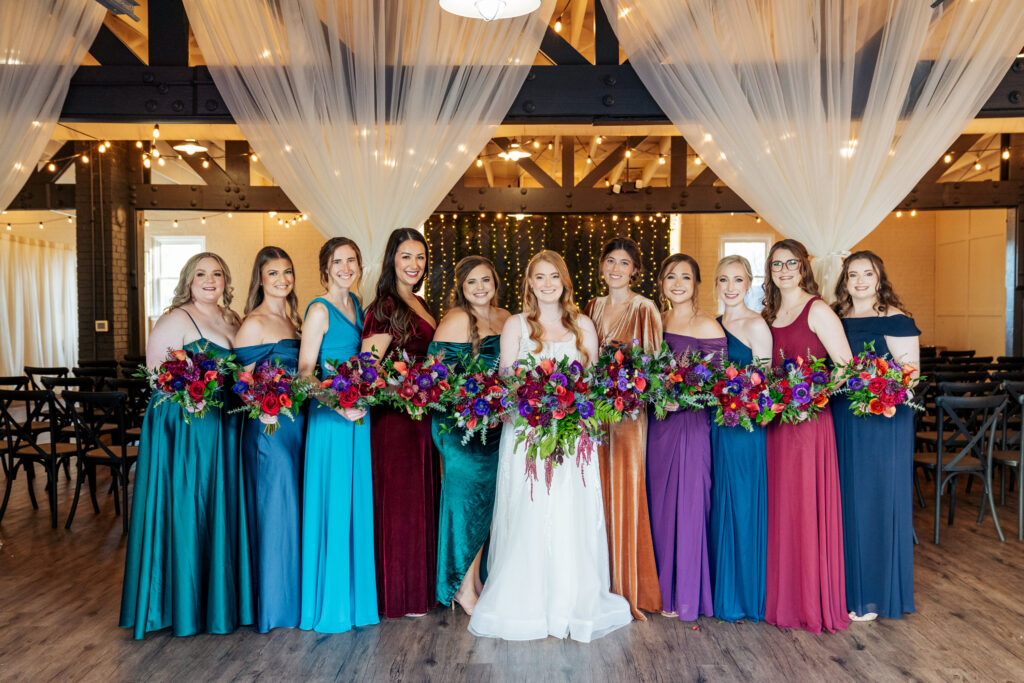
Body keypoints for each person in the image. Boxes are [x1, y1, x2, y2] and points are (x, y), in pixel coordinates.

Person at [468, 250, 632, 642]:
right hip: (528, 438)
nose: (546, 284)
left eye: (553, 277)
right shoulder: (516, 325)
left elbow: (591, 385)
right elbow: (508, 384)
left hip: (574, 438)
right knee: (529, 510)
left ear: (564, 282)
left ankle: (572, 598)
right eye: (539, 277)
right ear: (529, 283)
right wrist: (534, 407)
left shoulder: (583, 326)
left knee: (570, 511)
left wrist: (570, 408)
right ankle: (526, 598)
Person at [120, 252, 253, 638]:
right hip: (187, 430)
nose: (209, 280)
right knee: (190, 508)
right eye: (201, 274)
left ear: (226, 280)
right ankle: (183, 604)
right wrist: (188, 398)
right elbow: (158, 379)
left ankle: (219, 602)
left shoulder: (233, 319)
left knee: (220, 508)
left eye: (217, 273)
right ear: (188, 280)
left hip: (227, 428)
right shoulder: (176, 318)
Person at [761, 238, 852, 634]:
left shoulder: (818, 311)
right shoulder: (768, 314)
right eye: (777, 264)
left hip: (808, 425)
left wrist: (812, 397)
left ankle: (809, 600)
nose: (784, 271)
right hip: (777, 426)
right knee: (782, 508)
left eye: (791, 264)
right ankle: (784, 596)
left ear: (803, 268)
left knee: (805, 505)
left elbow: (846, 368)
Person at [832, 250, 919, 622]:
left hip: (883, 422)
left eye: (868, 274)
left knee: (876, 500)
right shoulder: (835, 318)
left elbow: (909, 378)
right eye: (853, 275)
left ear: (879, 278)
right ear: (845, 281)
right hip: (843, 418)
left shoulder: (897, 320)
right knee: (846, 501)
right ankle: (846, 589)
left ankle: (874, 595)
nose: (861, 281)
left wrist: (875, 389)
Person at [297, 237, 379, 633]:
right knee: (334, 506)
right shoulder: (319, 309)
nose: (345, 267)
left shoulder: (357, 305)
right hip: (332, 420)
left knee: (355, 504)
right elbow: (304, 374)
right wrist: (339, 405)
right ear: (325, 267)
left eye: (352, 261)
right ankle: (331, 605)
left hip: (357, 417)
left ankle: (356, 601)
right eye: (337, 261)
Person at [583, 238, 663, 620]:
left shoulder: (644, 308)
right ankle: (596, 584)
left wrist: (627, 387)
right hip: (593, 416)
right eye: (610, 260)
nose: (616, 268)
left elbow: (654, 368)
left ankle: (627, 585)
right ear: (601, 266)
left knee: (625, 493)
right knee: (594, 493)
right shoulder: (591, 307)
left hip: (628, 417)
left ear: (635, 270)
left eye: (624, 263)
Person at [362, 228, 438, 619]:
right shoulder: (385, 307)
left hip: (422, 416)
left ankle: (419, 587)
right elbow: (367, 369)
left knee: (419, 500)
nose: (414, 264)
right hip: (395, 418)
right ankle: (399, 593)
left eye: (421, 257)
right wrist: (403, 386)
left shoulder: (420, 302)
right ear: (392, 260)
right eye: (406, 256)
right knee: (401, 505)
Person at [428, 256, 510, 615]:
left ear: (495, 283)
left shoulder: (506, 317)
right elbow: (434, 377)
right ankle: (461, 588)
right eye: (472, 282)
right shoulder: (457, 319)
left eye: (486, 280)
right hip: (458, 427)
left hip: (493, 428)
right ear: (461, 288)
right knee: (465, 505)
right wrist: (469, 402)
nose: (480, 288)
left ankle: (474, 580)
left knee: (486, 504)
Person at [646, 254, 725, 622]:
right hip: (656, 426)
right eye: (670, 276)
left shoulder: (706, 324)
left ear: (696, 284)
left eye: (686, 277)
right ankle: (658, 589)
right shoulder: (654, 321)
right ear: (661, 282)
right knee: (658, 506)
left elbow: (717, 384)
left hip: (691, 426)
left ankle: (687, 593)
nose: (677, 283)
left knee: (691, 504)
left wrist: (679, 395)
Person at [234, 246, 305, 633]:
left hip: (297, 426)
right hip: (269, 430)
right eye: (273, 273)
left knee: (293, 507)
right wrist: (264, 406)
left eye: (287, 272)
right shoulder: (253, 323)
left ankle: (293, 598)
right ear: (260, 279)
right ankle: (275, 607)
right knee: (275, 511)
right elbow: (241, 384)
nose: (282, 280)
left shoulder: (294, 319)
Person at [709, 255, 772, 623]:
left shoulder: (756, 325)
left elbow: (766, 387)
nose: (730, 288)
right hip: (717, 426)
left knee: (743, 504)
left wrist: (741, 403)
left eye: (737, 280)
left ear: (749, 284)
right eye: (723, 280)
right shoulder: (714, 325)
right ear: (716, 285)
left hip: (745, 429)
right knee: (719, 502)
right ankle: (721, 591)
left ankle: (745, 596)